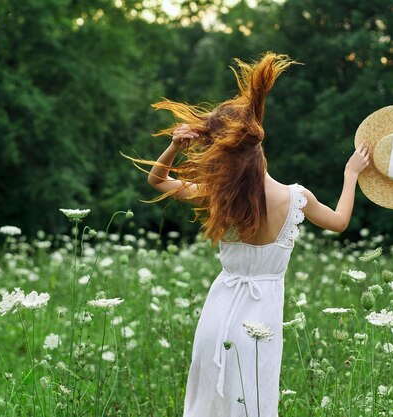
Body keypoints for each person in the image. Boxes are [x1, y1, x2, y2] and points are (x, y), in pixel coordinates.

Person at [122, 51, 369, 416]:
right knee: (253, 400)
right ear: (259, 144)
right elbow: (340, 222)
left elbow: (157, 180)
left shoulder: (218, 196)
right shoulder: (296, 198)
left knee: (209, 404)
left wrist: (175, 145)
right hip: (261, 320)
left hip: (218, 314)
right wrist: (351, 174)